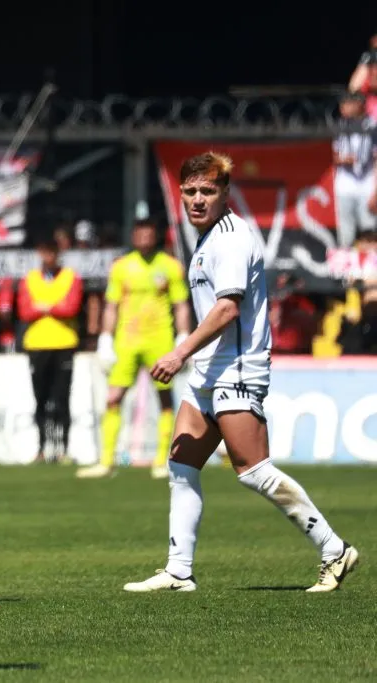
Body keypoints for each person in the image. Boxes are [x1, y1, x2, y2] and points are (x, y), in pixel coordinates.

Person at [123, 152, 359, 593]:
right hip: (209, 371)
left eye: (207, 191)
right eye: (190, 191)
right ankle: (178, 571)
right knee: (181, 465)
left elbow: (228, 307)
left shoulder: (230, 238)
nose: (197, 199)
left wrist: (179, 352)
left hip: (236, 368)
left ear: (226, 193)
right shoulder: (206, 238)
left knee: (252, 470)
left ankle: (334, 549)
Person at [79, 218, 191, 479]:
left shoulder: (170, 267)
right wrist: (105, 338)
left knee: (164, 398)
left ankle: (163, 460)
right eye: (139, 232)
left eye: (148, 232)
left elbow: (181, 304)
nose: (144, 237)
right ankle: (106, 461)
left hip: (159, 339)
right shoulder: (121, 267)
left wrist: (183, 337)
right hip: (127, 341)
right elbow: (111, 304)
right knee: (113, 398)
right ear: (133, 235)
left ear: (156, 235)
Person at [15, 237, 83, 462]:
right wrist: (55, 306)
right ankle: (42, 449)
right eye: (44, 251)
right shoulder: (29, 279)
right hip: (37, 344)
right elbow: (24, 310)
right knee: (41, 399)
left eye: (52, 252)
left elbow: (71, 307)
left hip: (64, 343)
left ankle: (63, 449)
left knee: (62, 398)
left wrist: (45, 306)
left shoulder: (70, 277)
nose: (48, 257)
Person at [332, 91, 377, 249]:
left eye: (347, 103)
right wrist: (343, 159)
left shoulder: (372, 127)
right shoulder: (341, 125)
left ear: (359, 104)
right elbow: (334, 155)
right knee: (346, 235)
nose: (343, 107)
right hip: (345, 186)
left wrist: (375, 191)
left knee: (369, 232)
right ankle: (349, 272)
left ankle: (370, 272)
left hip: (367, 185)